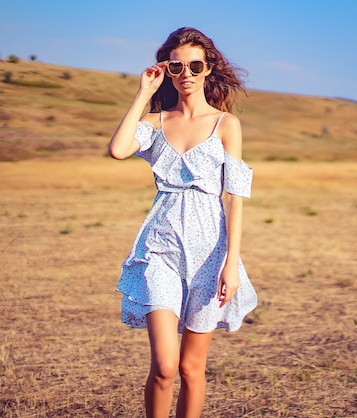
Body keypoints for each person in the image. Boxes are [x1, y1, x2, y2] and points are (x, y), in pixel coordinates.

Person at [108, 27, 257, 418]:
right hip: (160, 247)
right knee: (164, 366)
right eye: (177, 66)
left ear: (208, 69)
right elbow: (118, 149)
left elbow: (234, 197)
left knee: (191, 369)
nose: (186, 73)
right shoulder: (156, 123)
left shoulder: (227, 125)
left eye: (195, 65)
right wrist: (143, 92)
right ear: (167, 70)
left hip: (210, 251)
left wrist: (232, 263)